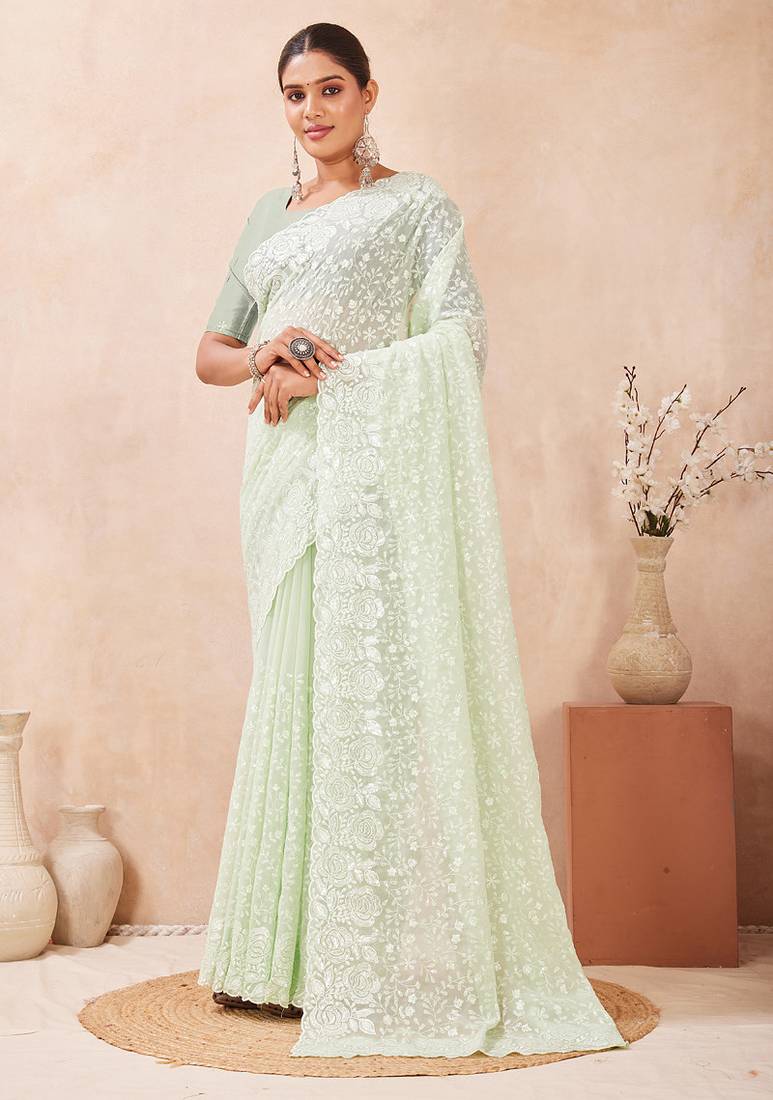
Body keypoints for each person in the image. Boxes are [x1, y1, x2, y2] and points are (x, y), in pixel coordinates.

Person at [194, 21, 630, 1060]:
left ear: (368, 93)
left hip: (377, 473)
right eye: (294, 94)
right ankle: (272, 961)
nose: (310, 111)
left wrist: (334, 383)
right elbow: (209, 353)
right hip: (284, 478)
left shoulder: (416, 206)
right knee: (291, 691)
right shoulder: (268, 215)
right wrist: (266, 354)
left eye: (329, 89)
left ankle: (367, 954)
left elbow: (458, 337)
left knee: (370, 698)